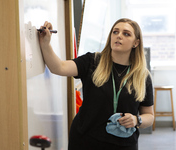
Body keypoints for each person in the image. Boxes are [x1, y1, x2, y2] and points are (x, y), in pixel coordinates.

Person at [39, 18, 154, 150]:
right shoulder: (92, 62)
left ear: (136, 43)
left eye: (126, 34)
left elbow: (149, 116)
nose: (119, 36)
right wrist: (46, 44)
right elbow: (59, 67)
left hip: (123, 144)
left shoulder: (142, 76)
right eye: (115, 32)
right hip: (86, 141)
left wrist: (136, 120)